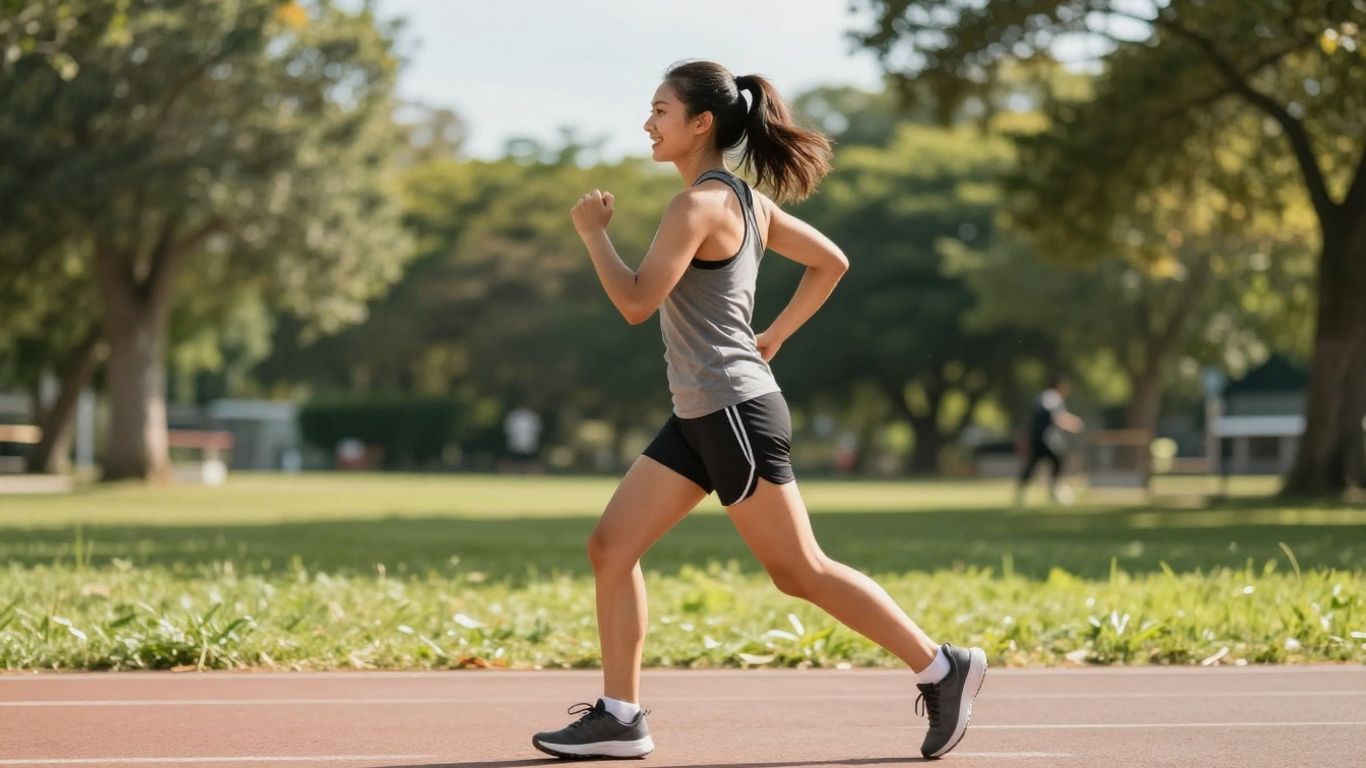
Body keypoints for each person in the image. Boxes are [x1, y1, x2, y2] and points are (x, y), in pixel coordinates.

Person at [531, 60, 986, 761]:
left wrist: (594, 233)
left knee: (799, 570)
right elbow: (830, 262)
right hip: (702, 412)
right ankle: (621, 717)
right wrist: (772, 335)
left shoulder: (698, 206)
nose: (648, 124)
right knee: (611, 546)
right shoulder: (745, 201)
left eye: (660, 111)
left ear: (700, 122)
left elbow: (633, 302)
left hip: (733, 412)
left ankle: (940, 666)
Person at [1015, 375, 1085, 506]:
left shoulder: (1042, 396)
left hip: (1037, 437)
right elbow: (1055, 416)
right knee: (1056, 460)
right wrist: (1072, 423)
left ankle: (1022, 492)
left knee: (1034, 464)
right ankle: (1053, 490)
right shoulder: (1052, 397)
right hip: (1046, 438)